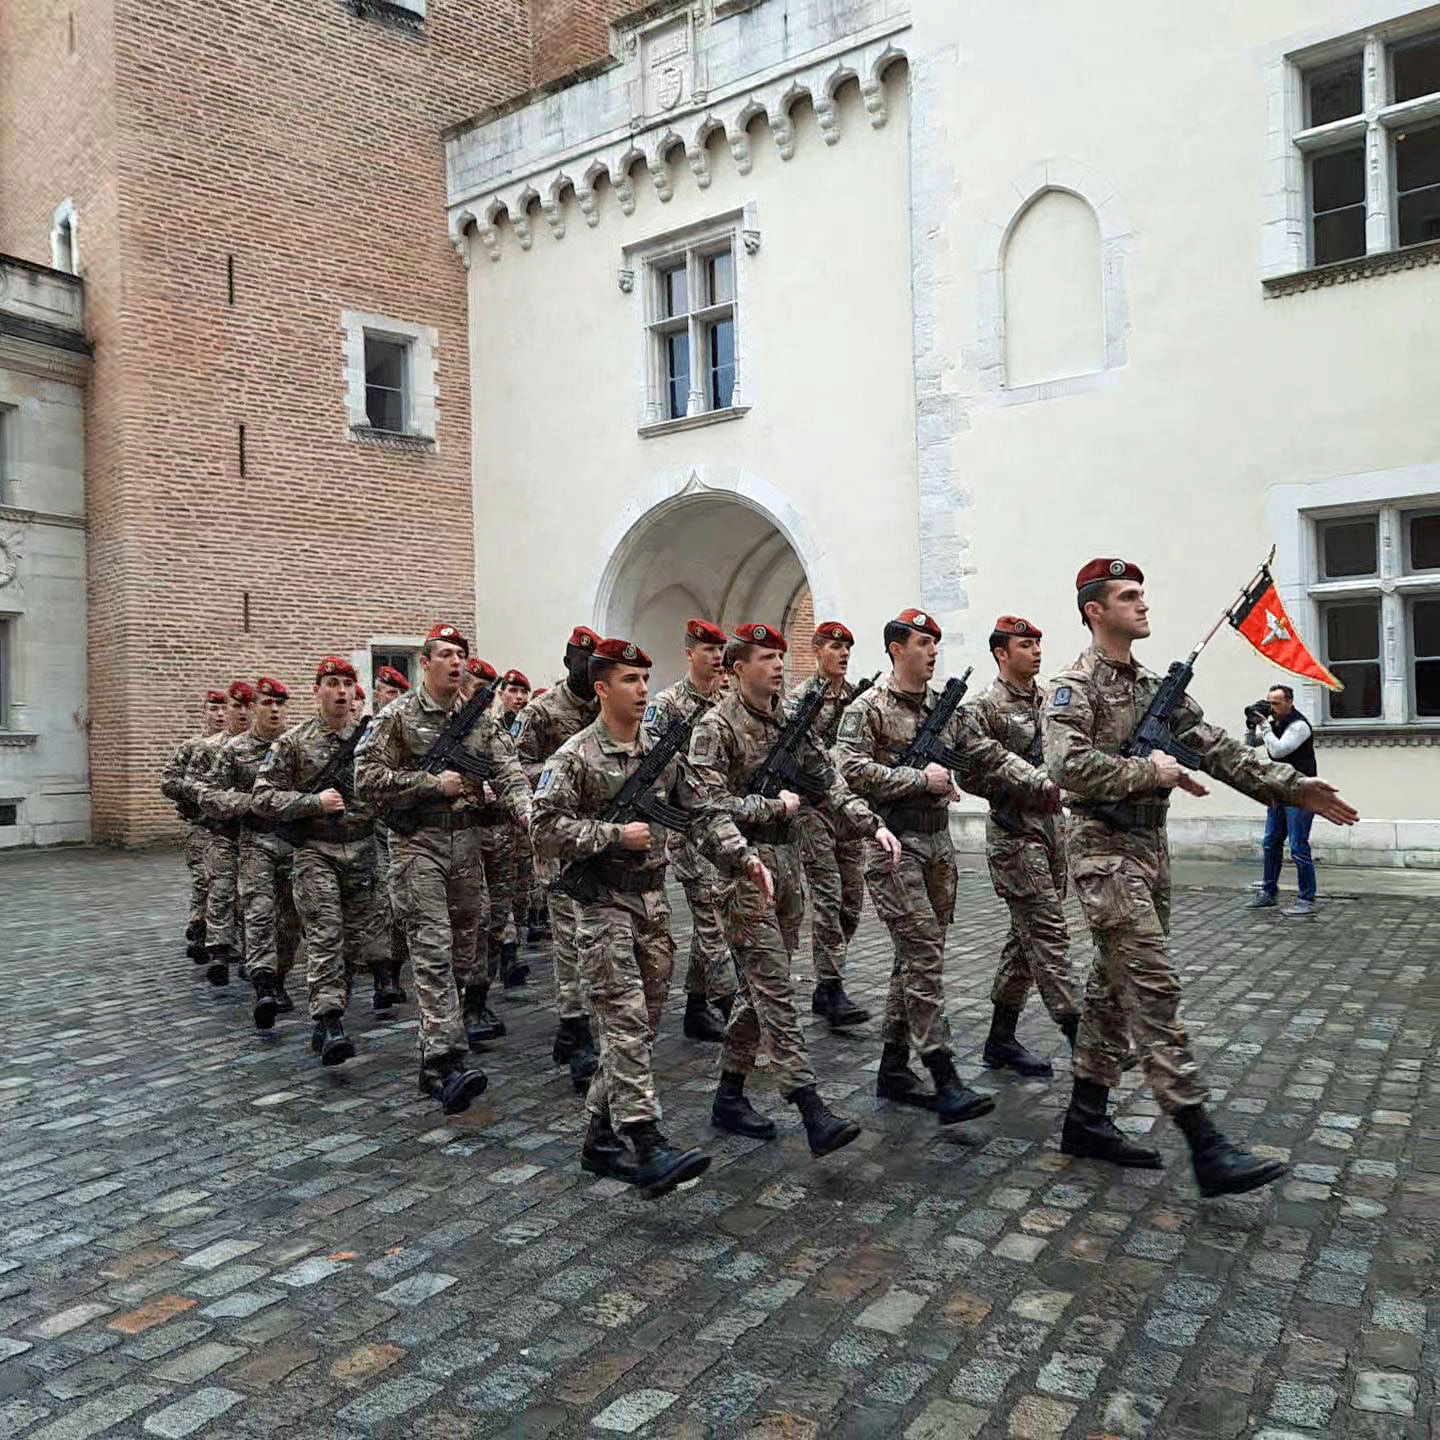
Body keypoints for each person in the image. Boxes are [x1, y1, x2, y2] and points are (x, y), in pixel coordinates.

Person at [1045, 558, 1358, 1197]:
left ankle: (1084, 1119)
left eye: (1143, 593)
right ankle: (1203, 1141)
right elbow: (1067, 766)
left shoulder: (1157, 690)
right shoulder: (1072, 687)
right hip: (1102, 851)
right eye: (1128, 596)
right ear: (1095, 611)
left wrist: (1294, 787)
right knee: (1152, 983)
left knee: (1111, 989)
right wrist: (1149, 774)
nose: (1143, 604)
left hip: (1149, 850)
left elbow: (1218, 748)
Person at [534, 637, 769, 1195]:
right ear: (600, 688)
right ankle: (646, 1141)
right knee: (626, 1022)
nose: (642, 690)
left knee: (636, 1027)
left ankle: (598, 1136)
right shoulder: (573, 757)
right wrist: (613, 834)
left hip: (652, 904)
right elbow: (541, 827)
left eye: (645, 679)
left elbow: (703, 813)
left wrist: (743, 855)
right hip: (600, 907)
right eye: (628, 680)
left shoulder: (661, 752)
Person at [834, 609, 1058, 1124]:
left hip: (937, 848)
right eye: (922, 643)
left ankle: (893, 1068)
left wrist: (1043, 781)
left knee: (913, 960)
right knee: (924, 958)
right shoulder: (866, 708)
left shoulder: (945, 708)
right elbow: (848, 770)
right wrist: (918, 779)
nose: (933, 650)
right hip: (892, 845)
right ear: (896, 649)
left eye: (935, 642)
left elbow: (984, 753)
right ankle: (943, 1074)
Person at [690, 623, 903, 1157]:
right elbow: (706, 808)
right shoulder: (714, 728)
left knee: (758, 989)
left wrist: (868, 821)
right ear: (738, 668)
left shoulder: (789, 718)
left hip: (786, 866)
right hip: (742, 873)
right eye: (766, 657)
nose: (778, 665)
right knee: (775, 988)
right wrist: (770, 811)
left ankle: (729, 1096)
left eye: (781, 656)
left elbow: (827, 780)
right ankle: (810, 1105)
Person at [355, 623, 531, 1113]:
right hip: (418, 847)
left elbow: (509, 771)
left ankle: (449, 1030)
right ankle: (441, 1062)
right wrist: (432, 784)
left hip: (467, 848)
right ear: (426, 662)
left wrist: (527, 812)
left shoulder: (480, 720)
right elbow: (365, 778)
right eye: (446, 654)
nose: (457, 663)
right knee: (431, 948)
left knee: (466, 949)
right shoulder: (397, 717)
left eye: (462, 655)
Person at [252, 657, 382, 1068]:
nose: (341, 691)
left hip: (362, 851)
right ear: (317, 690)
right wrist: (312, 802)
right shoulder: (293, 743)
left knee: (354, 942)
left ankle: (332, 1006)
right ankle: (328, 1021)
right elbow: (263, 796)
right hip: (315, 851)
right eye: (332, 683)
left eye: (347, 683)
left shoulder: (373, 739)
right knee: (325, 935)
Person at [967, 615, 1079, 1077]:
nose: (1035, 650)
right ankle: (1082, 1037)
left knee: (1024, 941)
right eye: (1024, 644)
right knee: (1049, 934)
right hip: (1015, 836)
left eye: (1038, 642)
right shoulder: (983, 708)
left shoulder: (1051, 701)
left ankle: (1000, 1039)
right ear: (1001, 653)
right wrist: (1021, 780)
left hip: (1053, 832)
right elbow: (968, 773)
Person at [513, 625, 603, 1089]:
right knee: (570, 937)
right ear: (570, 662)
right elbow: (515, 765)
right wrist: (560, 773)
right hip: (559, 841)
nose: (591, 671)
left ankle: (576, 1026)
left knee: (595, 935)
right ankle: (576, 1026)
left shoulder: (606, 711)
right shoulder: (543, 712)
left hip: (600, 841)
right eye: (583, 661)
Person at [644, 619, 735, 1043]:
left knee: (712, 920)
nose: (716, 657)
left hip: (724, 823)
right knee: (712, 918)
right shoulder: (667, 705)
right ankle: (733, 1008)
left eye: (720, 650)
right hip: (687, 831)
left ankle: (697, 1009)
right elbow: (651, 765)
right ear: (689, 653)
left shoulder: (730, 700)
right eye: (707, 649)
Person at [198, 677, 300, 1028]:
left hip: (295, 844)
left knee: (289, 922)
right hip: (254, 842)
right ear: (253, 707)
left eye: (280, 704)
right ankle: (264, 985)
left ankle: (281, 978)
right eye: (267, 703)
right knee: (258, 913)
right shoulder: (234, 750)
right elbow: (208, 794)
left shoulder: (297, 746)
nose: (274, 710)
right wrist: (249, 804)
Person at [790, 620, 871, 1031]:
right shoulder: (799, 701)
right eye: (835, 647)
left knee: (852, 900)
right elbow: (798, 756)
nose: (842, 654)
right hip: (813, 808)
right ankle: (830, 985)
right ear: (817, 649)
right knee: (828, 894)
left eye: (846, 649)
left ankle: (829, 976)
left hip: (848, 812)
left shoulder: (858, 698)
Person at [459, 655, 527, 1034]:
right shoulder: (445, 730)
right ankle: (470, 1000)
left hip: (501, 831)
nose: (478, 697)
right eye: (473, 689)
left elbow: (513, 776)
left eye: (485, 692)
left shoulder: (493, 732)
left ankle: (479, 998)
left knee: (498, 917)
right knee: (478, 917)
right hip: (464, 835)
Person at [190, 681, 256, 985]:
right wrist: (236, 803)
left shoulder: (272, 745)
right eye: (235, 706)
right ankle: (218, 950)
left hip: (257, 834)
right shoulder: (208, 748)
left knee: (254, 895)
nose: (241, 712)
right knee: (220, 890)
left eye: (247, 706)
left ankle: (250, 954)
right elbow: (196, 788)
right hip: (221, 831)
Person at [160, 688, 227, 963]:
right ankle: (199, 928)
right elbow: (168, 782)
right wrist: (197, 792)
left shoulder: (235, 746)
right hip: (199, 825)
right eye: (214, 709)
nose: (220, 715)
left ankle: (220, 935)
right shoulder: (190, 747)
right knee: (203, 879)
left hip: (226, 827)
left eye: (224, 709)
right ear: (204, 713)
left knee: (224, 882)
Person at [1246, 684, 1319, 916]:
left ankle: (1306, 898)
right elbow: (1250, 743)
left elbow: (1278, 751)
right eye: (1269, 703)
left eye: (1276, 703)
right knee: (1271, 842)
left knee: (1298, 846)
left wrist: (1264, 724)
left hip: (1300, 792)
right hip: (1278, 791)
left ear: (1290, 702)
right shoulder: (1274, 722)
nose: (1272, 708)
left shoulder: (1299, 726)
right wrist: (1251, 725)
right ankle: (1268, 892)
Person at [369, 665, 412, 1008]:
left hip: (400, 826)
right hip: (367, 830)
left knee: (397, 902)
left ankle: (392, 971)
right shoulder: (363, 733)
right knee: (380, 902)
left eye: (396, 693)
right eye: (386, 692)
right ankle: (381, 973)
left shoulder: (407, 731)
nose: (390, 699)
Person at [497, 669, 538, 968]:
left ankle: (515, 944)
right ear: (501, 694)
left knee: (521, 889)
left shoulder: (532, 726)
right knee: (500, 889)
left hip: (523, 820)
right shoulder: (491, 727)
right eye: (513, 691)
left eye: (524, 692)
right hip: (496, 821)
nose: (520, 698)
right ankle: (506, 953)